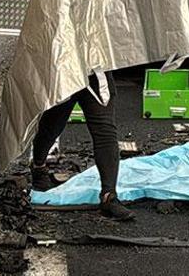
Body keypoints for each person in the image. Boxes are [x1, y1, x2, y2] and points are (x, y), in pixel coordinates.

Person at [30, 72, 135, 221]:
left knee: (105, 130)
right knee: (51, 127)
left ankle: (109, 195)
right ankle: (38, 166)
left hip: (96, 72)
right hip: (64, 70)